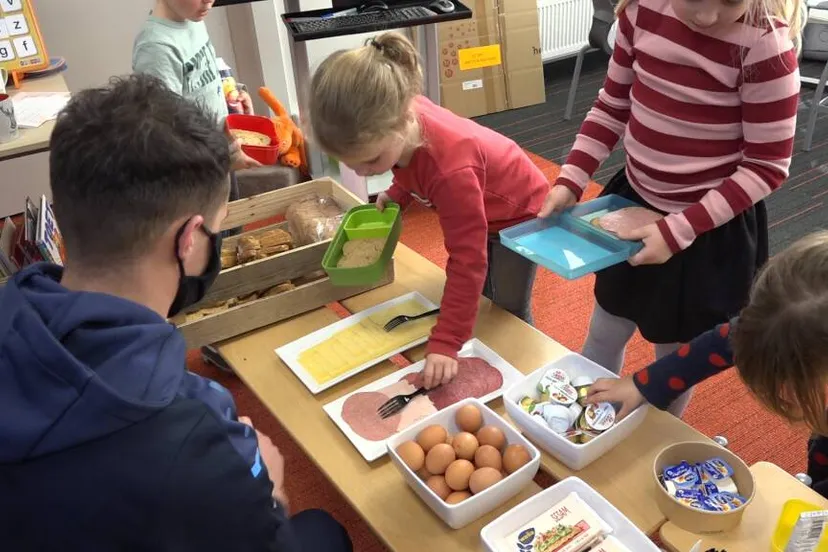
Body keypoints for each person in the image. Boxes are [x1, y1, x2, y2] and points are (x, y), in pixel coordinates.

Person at [0, 75, 352, 552]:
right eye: (219, 229)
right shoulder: (195, 433)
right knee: (323, 532)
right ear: (189, 240)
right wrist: (266, 489)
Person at [539, 0, 801, 416]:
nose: (707, 17)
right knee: (605, 327)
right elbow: (612, 106)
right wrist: (572, 176)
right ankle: (579, 424)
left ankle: (654, 446)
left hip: (706, 229)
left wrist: (678, 229)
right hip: (633, 205)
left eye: (730, 2)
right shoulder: (641, 12)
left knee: (673, 361)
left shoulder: (765, 47)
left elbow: (766, 167)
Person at [308, 32, 550, 389]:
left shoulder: (450, 170)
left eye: (371, 160)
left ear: (402, 119)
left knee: (507, 310)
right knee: (481, 296)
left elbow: (466, 259)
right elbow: (412, 167)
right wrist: (397, 192)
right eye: (349, 163)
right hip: (480, 202)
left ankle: (529, 378)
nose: (362, 173)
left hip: (520, 216)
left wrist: (446, 341)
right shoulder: (400, 115)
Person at [586, 230, 828, 496]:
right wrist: (641, 384)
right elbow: (715, 346)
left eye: (795, 384)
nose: (782, 394)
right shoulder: (779, 323)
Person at [133, 0, 260, 372]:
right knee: (205, 260)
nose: (209, 1)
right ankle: (217, 338)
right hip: (193, 178)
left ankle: (232, 326)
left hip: (218, 164)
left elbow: (209, 71)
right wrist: (220, 154)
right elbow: (167, 133)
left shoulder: (193, 19)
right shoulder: (156, 49)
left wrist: (233, 97)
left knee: (229, 242)